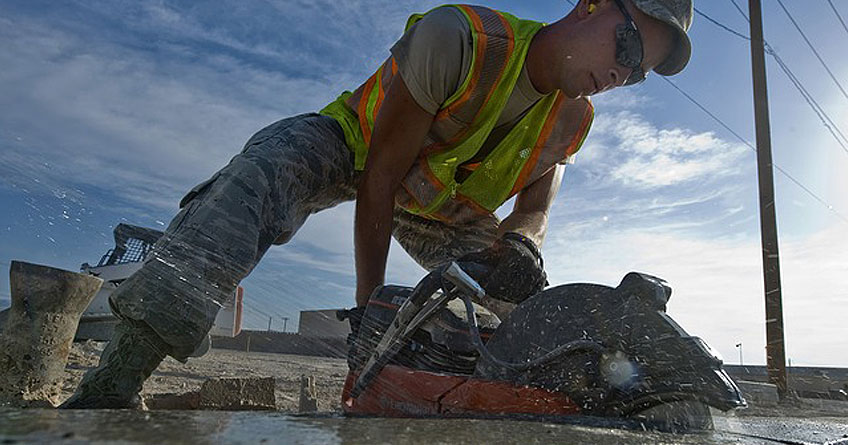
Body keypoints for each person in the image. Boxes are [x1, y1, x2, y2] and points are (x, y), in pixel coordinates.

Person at [61, 0, 693, 409]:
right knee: (257, 181)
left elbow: (544, 182)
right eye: (628, 50)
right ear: (592, 6)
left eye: (637, 75)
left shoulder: (574, 117)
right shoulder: (463, 39)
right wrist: (368, 312)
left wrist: (526, 237)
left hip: (440, 202)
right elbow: (381, 178)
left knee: (529, 305)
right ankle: (116, 378)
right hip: (356, 148)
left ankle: (544, 401)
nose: (622, 76)